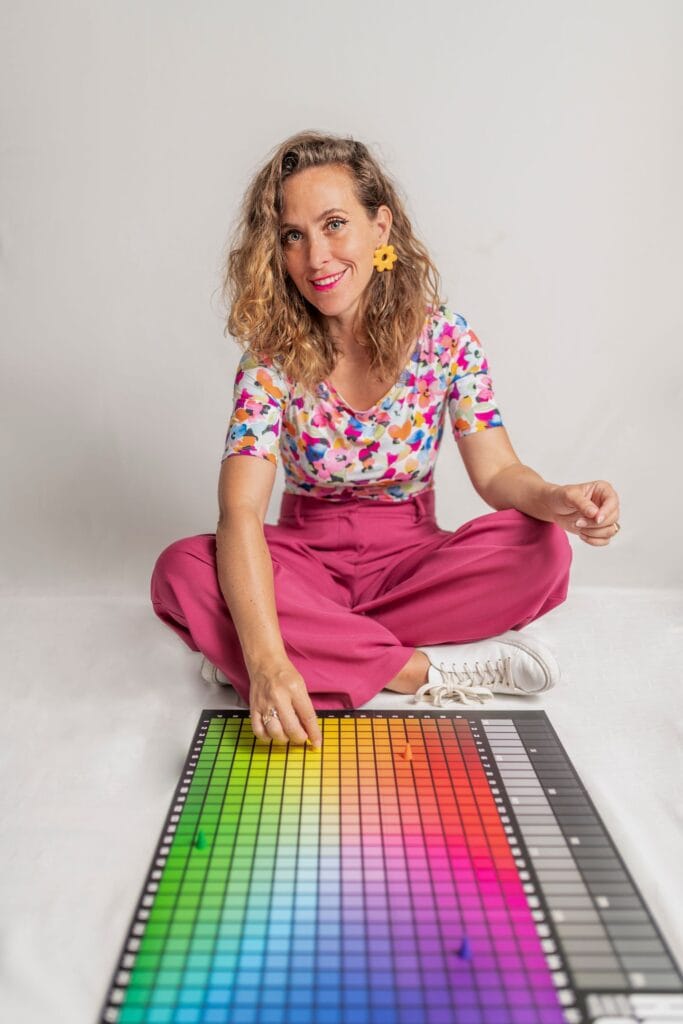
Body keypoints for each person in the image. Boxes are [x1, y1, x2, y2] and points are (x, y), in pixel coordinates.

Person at [150, 130, 621, 753]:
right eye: (293, 236)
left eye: (334, 224)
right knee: (180, 569)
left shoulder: (447, 340)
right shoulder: (269, 361)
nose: (316, 256)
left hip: (411, 562)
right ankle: (420, 670)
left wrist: (555, 497)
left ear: (380, 227)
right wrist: (266, 660)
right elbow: (239, 512)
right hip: (305, 559)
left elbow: (498, 474)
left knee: (543, 547)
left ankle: (278, 645)